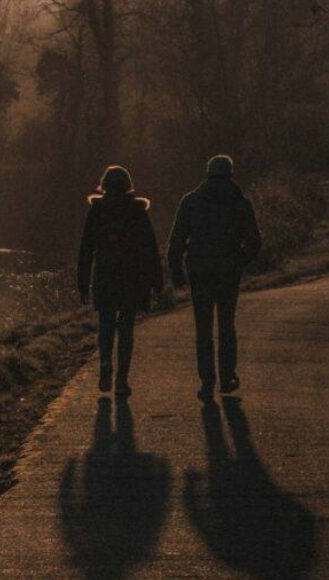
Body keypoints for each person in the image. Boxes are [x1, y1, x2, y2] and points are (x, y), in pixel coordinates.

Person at [167, 154, 263, 403]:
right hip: (228, 273)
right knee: (227, 325)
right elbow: (254, 242)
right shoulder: (240, 203)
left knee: (203, 329)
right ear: (230, 174)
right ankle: (227, 377)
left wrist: (176, 269)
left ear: (207, 174)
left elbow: (177, 239)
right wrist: (239, 261)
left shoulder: (190, 201)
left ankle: (207, 381)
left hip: (199, 272)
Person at [76, 165, 162, 396]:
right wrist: (157, 282)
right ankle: (122, 379)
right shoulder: (138, 212)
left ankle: (105, 363)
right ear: (128, 185)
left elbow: (86, 250)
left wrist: (82, 284)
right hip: (132, 276)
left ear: (104, 185)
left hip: (104, 274)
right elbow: (150, 248)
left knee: (106, 322)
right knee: (126, 327)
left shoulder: (96, 211)